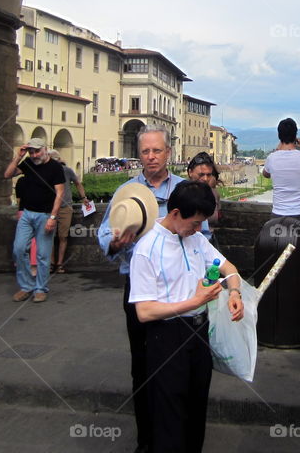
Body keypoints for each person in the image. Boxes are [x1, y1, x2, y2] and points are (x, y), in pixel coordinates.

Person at [130, 180, 243, 453]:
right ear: (175, 213)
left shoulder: (194, 239)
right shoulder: (147, 249)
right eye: (194, 223)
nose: (198, 229)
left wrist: (235, 292)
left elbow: (228, 266)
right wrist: (194, 301)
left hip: (198, 333)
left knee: (196, 407)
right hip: (167, 335)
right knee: (170, 413)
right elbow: (144, 311)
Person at [98, 125, 183, 453]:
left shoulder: (184, 190)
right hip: (139, 291)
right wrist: (116, 243)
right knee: (142, 364)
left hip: (177, 289)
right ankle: (146, 438)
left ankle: (173, 435)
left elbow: (203, 234)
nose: (150, 157)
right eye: (145, 152)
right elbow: (104, 234)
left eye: (156, 151)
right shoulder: (126, 191)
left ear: (168, 153)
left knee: (176, 365)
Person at [4, 138, 65, 303]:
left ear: (45, 149)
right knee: (18, 249)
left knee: (43, 255)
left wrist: (53, 216)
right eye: (31, 152)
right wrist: (19, 156)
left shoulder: (56, 167)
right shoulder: (28, 163)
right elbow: (7, 174)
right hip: (27, 213)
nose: (34, 154)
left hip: (45, 215)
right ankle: (26, 286)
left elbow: (60, 194)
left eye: (37, 151)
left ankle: (40, 288)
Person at [47, 149, 86, 274]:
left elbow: (77, 183)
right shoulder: (47, 172)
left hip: (65, 207)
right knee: (50, 237)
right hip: (50, 207)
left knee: (62, 236)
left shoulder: (67, 170)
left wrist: (83, 198)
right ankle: (52, 263)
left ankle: (59, 264)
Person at [187, 151, 220, 241]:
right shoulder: (181, 194)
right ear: (190, 172)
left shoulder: (213, 194)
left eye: (208, 175)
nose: (205, 179)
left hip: (209, 241)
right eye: (201, 174)